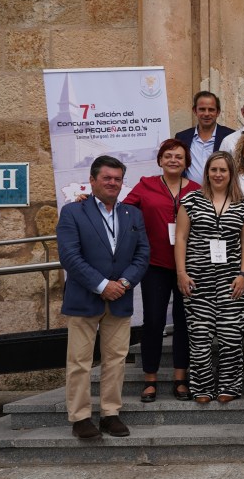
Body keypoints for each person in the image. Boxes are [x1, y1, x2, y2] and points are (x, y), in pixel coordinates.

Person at [57, 156, 150, 439]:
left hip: (120, 297)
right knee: (80, 361)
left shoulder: (131, 214)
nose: (112, 183)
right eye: (107, 178)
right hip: (85, 297)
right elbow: (70, 256)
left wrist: (122, 283)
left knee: (116, 359)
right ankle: (80, 417)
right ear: (93, 180)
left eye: (117, 179)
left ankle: (111, 413)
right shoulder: (73, 212)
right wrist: (101, 285)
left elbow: (142, 254)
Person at [122, 139, 200, 403]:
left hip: (188, 267)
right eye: (168, 156)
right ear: (160, 160)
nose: (174, 160)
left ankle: (181, 378)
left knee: (183, 322)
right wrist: (91, 201)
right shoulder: (145, 186)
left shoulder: (198, 190)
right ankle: (150, 380)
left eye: (179, 156)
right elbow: (122, 213)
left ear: (187, 162)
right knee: (154, 321)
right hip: (154, 263)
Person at [175, 151, 244, 403]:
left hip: (232, 279)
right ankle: (202, 387)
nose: (218, 174)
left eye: (223, 170)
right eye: (213, 170)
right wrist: (181, 273)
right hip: (197, 278)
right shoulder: (191, 201)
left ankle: (229, 386)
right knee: (199, 335)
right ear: (207, 172)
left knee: (231, 336)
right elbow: (181, 238)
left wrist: (243, 274)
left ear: (231, 174)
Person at [177, 91, 236, 183]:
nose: (207, 114)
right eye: (202, 109)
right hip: (190, 194)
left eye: (211, 109)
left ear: (218, 112)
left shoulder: (230, 136)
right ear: (195, 111)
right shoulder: (182, 137)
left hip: (220, 193)